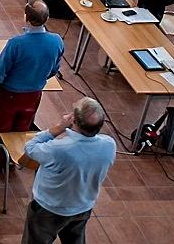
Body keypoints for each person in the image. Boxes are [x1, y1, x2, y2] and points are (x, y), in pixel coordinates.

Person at [0, 0, 64, 166]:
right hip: (34, 95)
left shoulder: (16, 43)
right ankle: (16, 156)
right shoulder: (57, 41)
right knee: (22, 127)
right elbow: (54, 69)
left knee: (0, 129)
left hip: (8, 95)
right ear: (47, 18)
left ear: (26, 17)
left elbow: (0, 71)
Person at [23, 97, 116, 244]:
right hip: (83, 206)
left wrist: (59, 127)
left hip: (50, 209)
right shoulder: (109, 144)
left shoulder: (60, 149)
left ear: (74, 122)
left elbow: (30, 147)